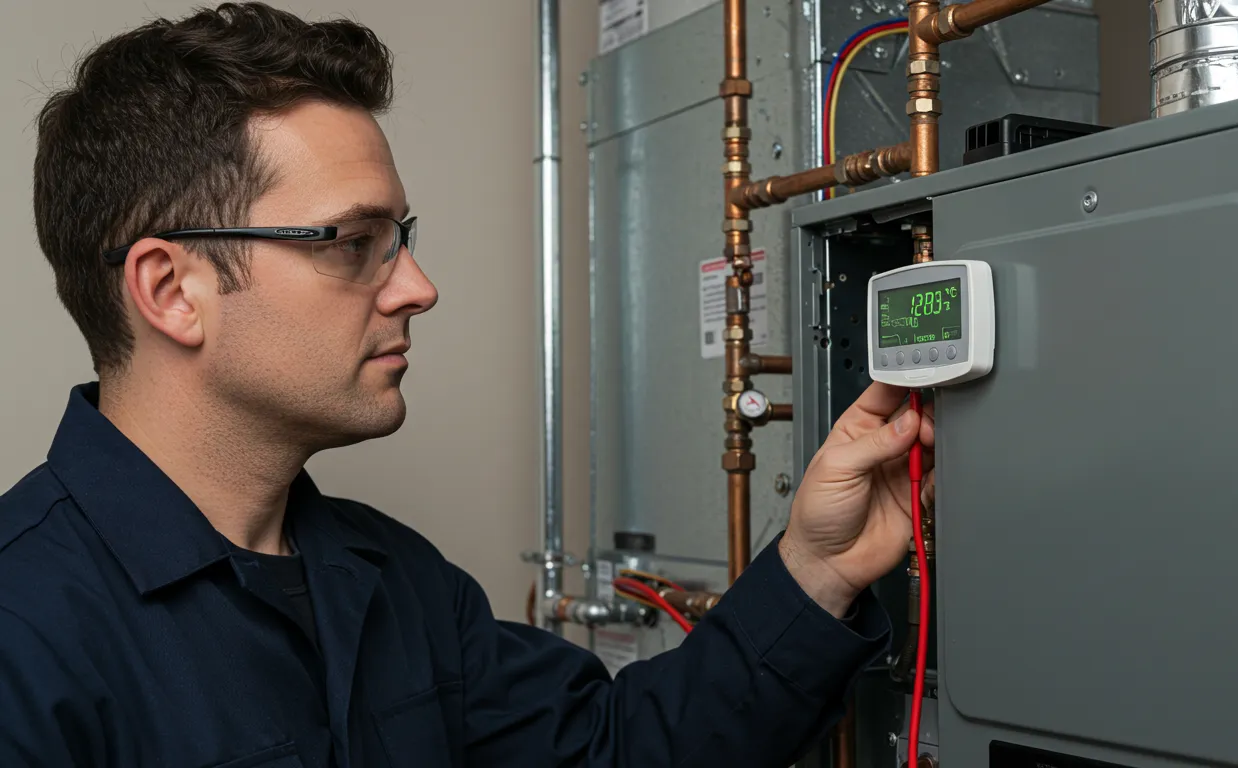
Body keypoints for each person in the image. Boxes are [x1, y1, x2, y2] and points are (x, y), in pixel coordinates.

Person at [0, 4, 936, 766]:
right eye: (353, 244)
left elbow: (615, 752)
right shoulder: (24, 634)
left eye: (403, 240)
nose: (417, 287)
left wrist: (817, 569)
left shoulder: (394, 581)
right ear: (172, 291)